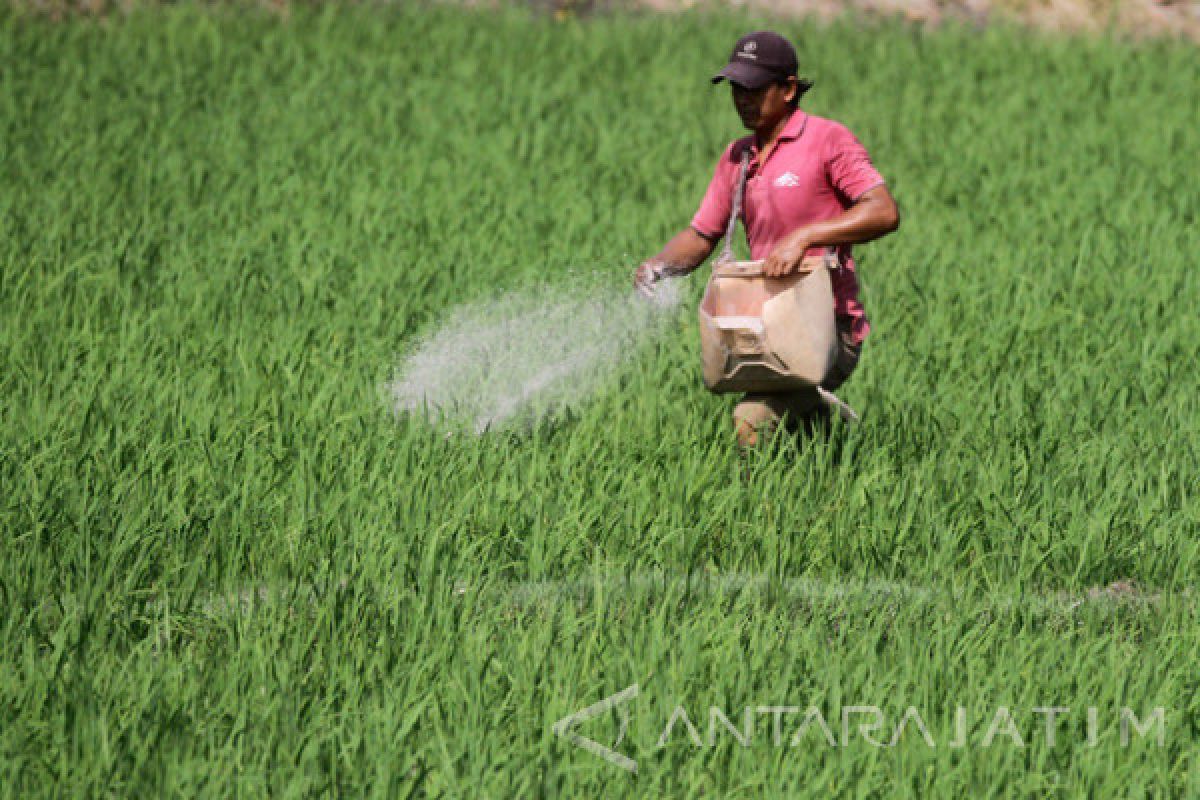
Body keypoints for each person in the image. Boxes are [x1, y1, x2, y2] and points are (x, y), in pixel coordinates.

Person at [635, 31, 900, 448]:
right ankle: (827, 436)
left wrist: (805, 236)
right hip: (765, 322)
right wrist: (657, 268)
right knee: (787, 421)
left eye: (755, 88)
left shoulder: (827, 141)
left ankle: (750, 507)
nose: (743, 98)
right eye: (737, 89)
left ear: (789, 89)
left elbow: (883, 210)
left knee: (752, 417)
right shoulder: (738, 157)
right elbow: (702, 235)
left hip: (827, 323)